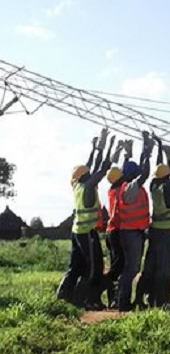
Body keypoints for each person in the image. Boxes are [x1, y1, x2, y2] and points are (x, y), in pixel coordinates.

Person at [57, 128, 115, 310]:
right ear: (85, 176)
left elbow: (92, 166)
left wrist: (97, 147)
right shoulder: (89, 186)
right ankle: (86, 300)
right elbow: (102, 168)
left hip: (76, 232)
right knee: (93, 268)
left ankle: (63, 295)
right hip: (87, 233)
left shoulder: (77, 185)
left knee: (75, 266)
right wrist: (109, 146)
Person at [134, 135, 170, 309]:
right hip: (163, 234)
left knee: (150, 266)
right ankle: (161, 300)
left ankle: (141, 297)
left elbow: (160, 167)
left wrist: (161, 147)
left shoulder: (153, 185)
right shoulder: (168, 189)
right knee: (164, 268)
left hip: (153, 231)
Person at [117, 131, 153, 312]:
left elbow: (133, 170)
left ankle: (123, 301)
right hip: (131, 233)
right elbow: (145, 173)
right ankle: (122, 302)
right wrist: (147, 151)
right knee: (131, 269)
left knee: (131, 268)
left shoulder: (126, 185)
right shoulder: (130, 188)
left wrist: (130, 154)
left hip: (132, 232)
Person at [104, 140, 128, 309]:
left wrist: (118, 150)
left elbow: (116, 171)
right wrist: (125, 154)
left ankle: (112, 298)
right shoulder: (121, 188)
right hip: (117, 231)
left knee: (115, 264)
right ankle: (106, 291)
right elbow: (126, 173)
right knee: (118, 267)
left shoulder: (112, 188)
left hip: (110, 230)